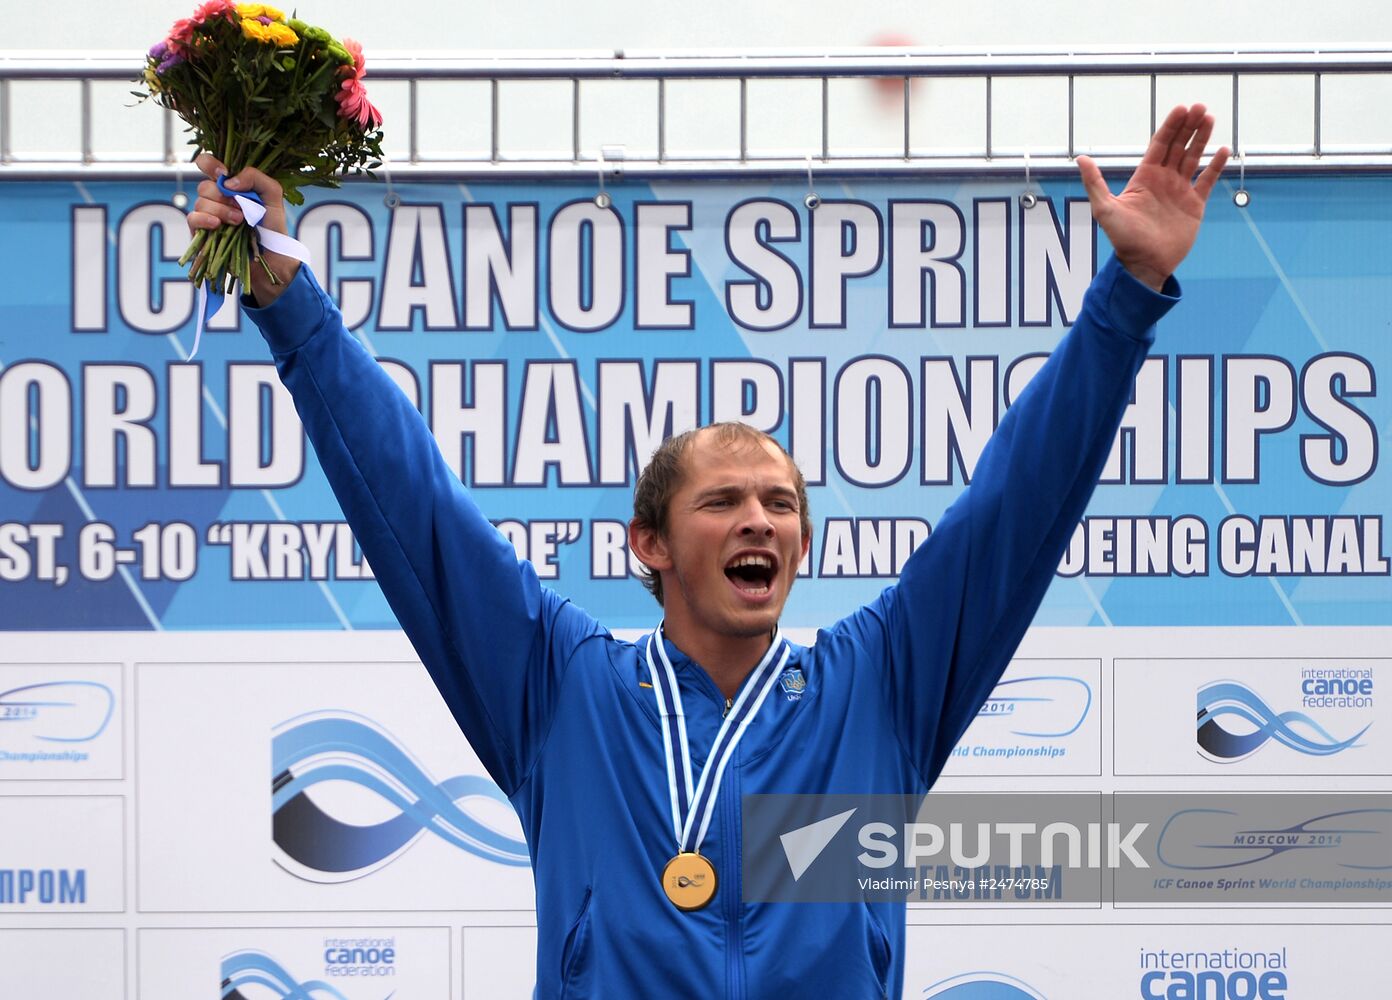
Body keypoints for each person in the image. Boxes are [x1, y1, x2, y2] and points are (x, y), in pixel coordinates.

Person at [189, 104, 1228, 999]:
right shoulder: (559, 687)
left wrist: (1125, 298)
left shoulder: (879, 686)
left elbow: (1015, 507)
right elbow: (413, 507)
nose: (760, 521)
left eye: (781, 504)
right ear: (649, 542)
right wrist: (293, 308)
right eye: (723, 500)